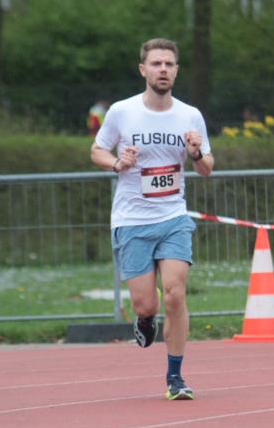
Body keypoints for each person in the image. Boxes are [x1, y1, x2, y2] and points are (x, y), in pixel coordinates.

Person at [90, 38, 214, 399]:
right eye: (156, 64)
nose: (163, 69)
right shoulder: (122, 112)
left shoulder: (190, 115)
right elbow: (97, 150)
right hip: (131, 221)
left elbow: (207, 167)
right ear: (143, 70)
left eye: (169, 64)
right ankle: (145, 319)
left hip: (173, 216)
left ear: (177, 70)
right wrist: (116, 162)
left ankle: (175, 378)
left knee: (176, 294)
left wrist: (195, 154)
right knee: (149, 303)